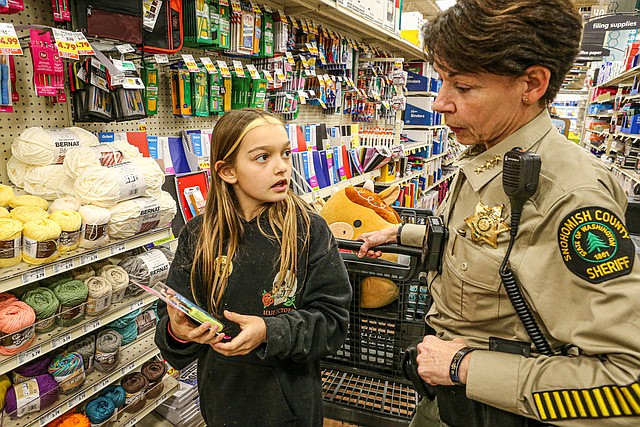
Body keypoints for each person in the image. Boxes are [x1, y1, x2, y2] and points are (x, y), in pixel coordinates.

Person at [358, 1, 640, 426]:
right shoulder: (493, 156)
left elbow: (627, 385)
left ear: (532, 84)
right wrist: (407, 234)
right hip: (451, 400)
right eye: (442, 82)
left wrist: (464, 367)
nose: (439, 103)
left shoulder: (570, 197)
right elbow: (494, 244)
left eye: (464, 87)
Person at [155, 108, 352, 427]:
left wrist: (268, 331)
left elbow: (333, 324)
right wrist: (177, 331)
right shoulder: (198, 235)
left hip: (291, 410)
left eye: (285, 153)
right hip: (221, 406)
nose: (282, 167)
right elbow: (173, 333)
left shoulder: (309, 231)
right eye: (263, 157)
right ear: (227, 170)